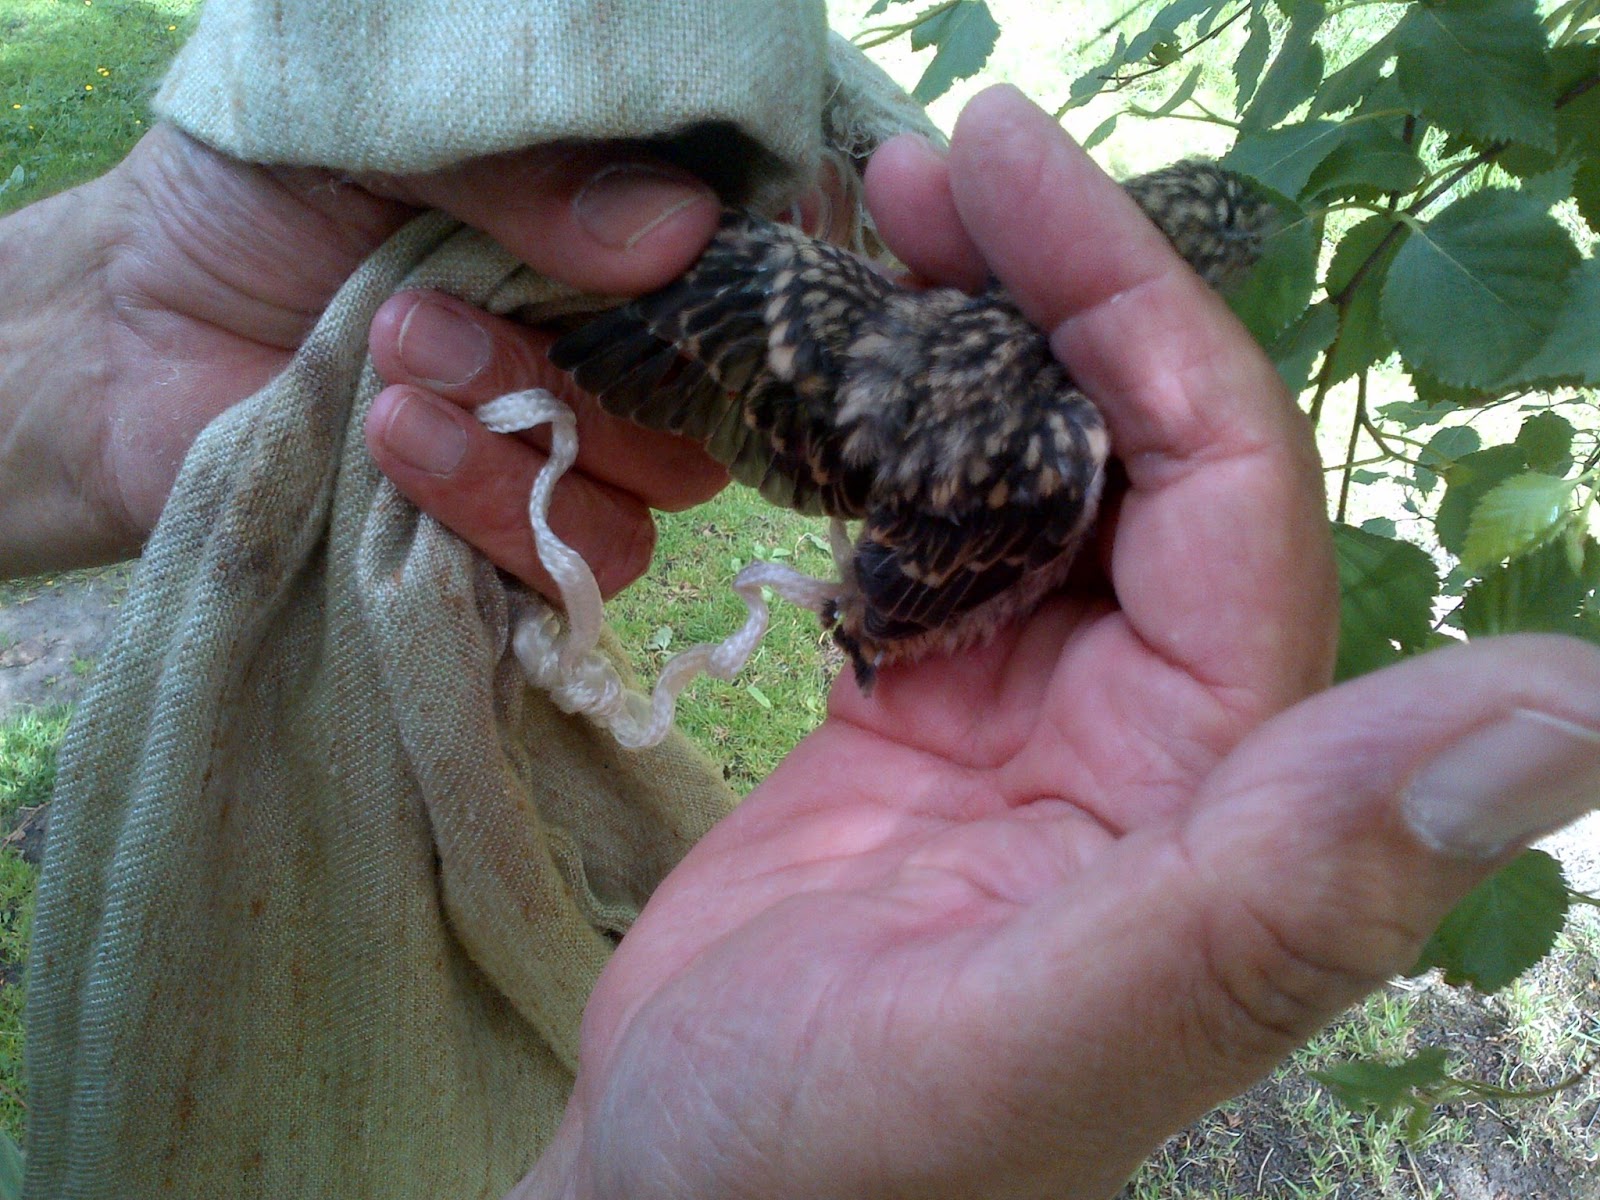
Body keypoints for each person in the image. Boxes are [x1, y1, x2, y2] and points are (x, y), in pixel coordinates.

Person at [3, 82, 1598, 1199]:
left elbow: (900, 518)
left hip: (835, 418)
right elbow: (912, 540)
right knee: (746, 308)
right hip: (843, 441)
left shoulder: (1009, 420)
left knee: (747, 308)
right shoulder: (1047, 443)